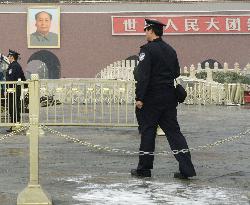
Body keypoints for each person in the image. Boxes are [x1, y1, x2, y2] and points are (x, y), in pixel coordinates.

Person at [131, 19, 196, 179]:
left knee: (148, 132)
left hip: (151, 99)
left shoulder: (147, 50)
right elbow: (176, 72)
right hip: (169, 97)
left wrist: (139, 97)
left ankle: (144, 169)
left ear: (151, 30)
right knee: (174, 133)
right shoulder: (170, 50)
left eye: (146, 30)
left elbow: (143, 76)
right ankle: (187, 169)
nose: (145, 33)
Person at [6, 49, 26, 132]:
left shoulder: (15, 66)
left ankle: (16, 125)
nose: (8, 58)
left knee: (13, 107)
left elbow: (14, 78)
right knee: (12, 107)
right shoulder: (13, 65)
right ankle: (14, 125)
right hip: (12, 90)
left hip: (13, 90)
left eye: (9, 57)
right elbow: (22, 77)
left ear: (12, 57)